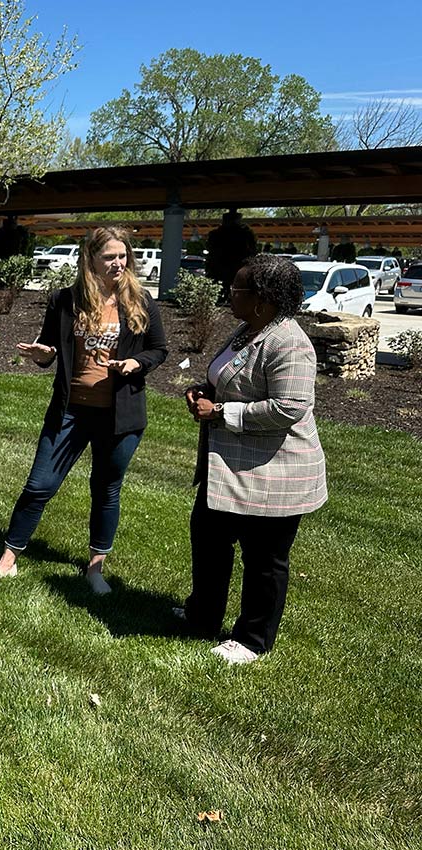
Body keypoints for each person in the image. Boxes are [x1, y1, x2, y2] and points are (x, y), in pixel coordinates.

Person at [0, 226, 168, 594]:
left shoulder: (141, 302)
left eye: (123, 255)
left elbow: (159, 349)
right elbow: (49, 349)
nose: (118, 263)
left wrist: (135, 364)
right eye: (109, 256)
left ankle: (95, 569)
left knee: (106, 488)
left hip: (119, 415)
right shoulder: (65, 301)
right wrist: (43, 354)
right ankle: (6, 562)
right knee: (39, 485)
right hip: (70, 411)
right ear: (90, 259)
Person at [179, 254, 327, 664]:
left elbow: (290, 407)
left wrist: (222, 413)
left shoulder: (290, 342)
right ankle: (202, 615)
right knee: (208, 541)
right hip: (228, 466)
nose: (230, 293)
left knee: (264, 560)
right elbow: (229, 378)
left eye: (236, 289)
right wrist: (202, 390)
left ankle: (252, 639)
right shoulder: (247, 330)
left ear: (262, 299)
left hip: (274, 472)